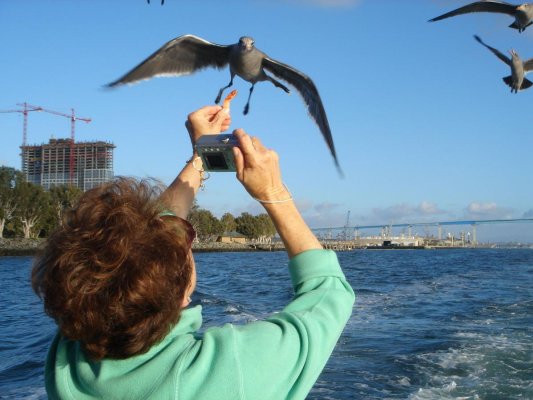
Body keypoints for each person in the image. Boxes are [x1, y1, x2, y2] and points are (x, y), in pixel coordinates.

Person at [32, 104, 355, 400]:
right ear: (183, 293)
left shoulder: (72, 355)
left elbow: (151, 232)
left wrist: (203, 154)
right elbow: (330, 292)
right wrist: (272, 192)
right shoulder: (232, 370)